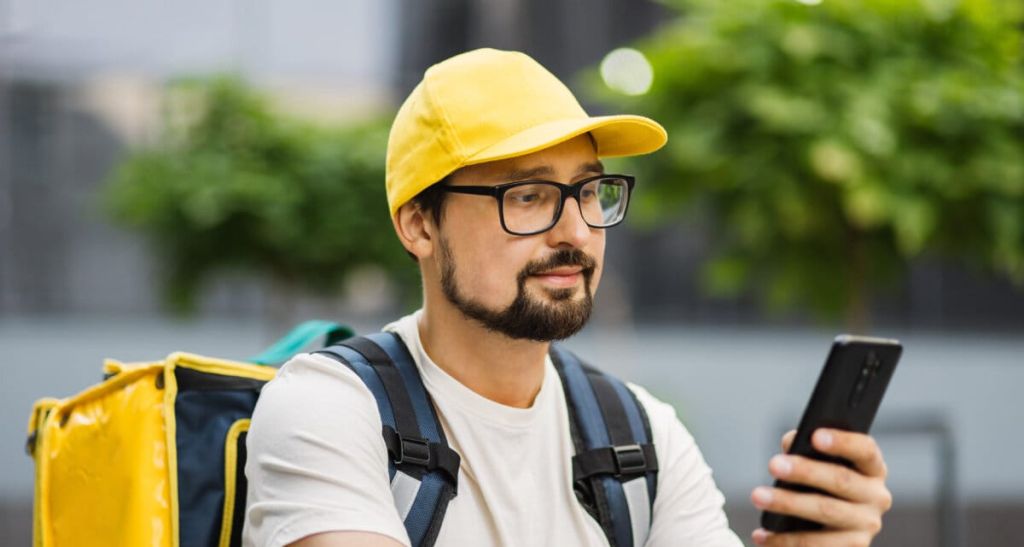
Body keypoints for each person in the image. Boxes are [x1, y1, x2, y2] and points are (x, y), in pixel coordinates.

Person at [243, 48, 893, 547]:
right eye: (528, 196)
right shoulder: (328, 409)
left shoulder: (642, 435)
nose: (577, 232)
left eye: (588, 191)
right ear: (419, 225)